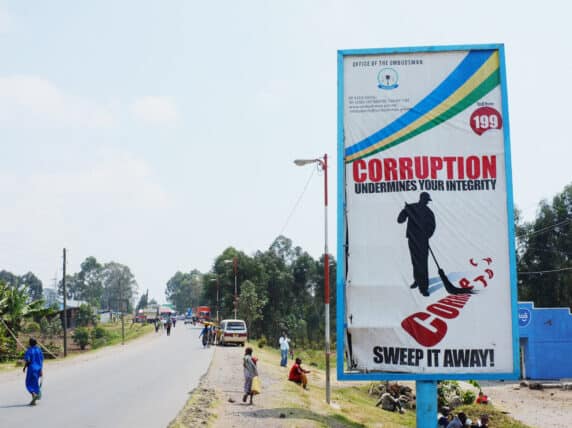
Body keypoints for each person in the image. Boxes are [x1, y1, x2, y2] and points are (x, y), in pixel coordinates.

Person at [397, 192, 436, 297]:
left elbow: (432, 226)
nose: (427, 203)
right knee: (415, 261)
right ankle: (417, 281)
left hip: (422, 241)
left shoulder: (428, 212)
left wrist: (425, 235)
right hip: (413, 239)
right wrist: (405, 212)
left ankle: (424, 288)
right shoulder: (411, 208)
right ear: (423, 199)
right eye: (427, 201)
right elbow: (400, 220)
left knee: (422, 263)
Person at [23, 337, 44, 406]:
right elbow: (41, 360)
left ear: (30, 343)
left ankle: (34, 394)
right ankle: (34, 401)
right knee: (35, 383)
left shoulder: (29, 350)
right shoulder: (39, 350)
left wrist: (25, 367)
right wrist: (41, 369)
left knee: (28, 383)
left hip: (31, 369)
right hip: (38, 369)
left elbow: (28, 360)